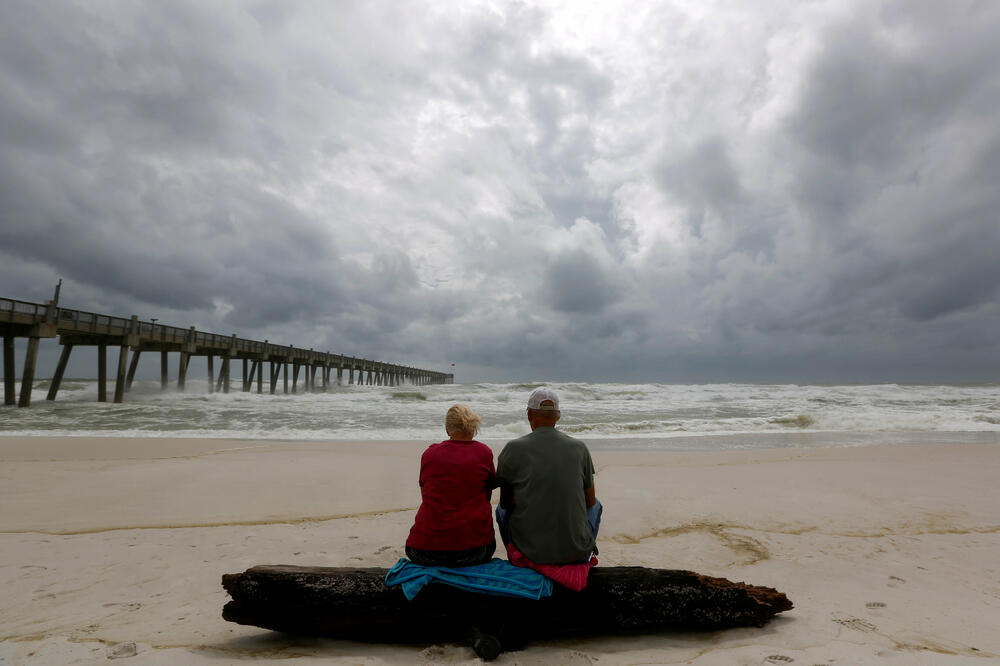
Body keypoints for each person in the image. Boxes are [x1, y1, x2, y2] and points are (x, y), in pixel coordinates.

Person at [495, 387, 602, 565]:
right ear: (558, 415)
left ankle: (516, 552)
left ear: (529, 414)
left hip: (529, 553)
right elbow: (590, 501)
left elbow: (506, 502)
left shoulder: (513, 448)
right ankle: (584, 551)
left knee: (501, 509)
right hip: (575, 554)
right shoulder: (579, 448)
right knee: (596, 504)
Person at [405, 404, 497, 567]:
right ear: (473, 428)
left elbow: (425, 496)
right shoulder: (483, 453)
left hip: (424, 551)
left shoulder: (430, 454)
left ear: (448, 430)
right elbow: (487, 496)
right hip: (474, 551)